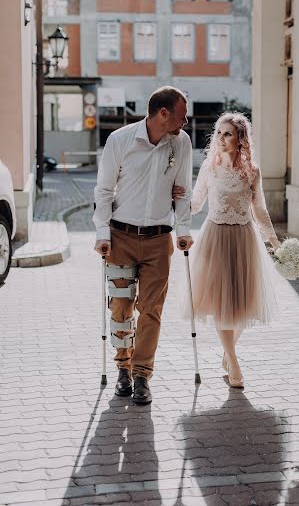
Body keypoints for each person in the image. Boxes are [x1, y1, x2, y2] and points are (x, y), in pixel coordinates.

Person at [94, 86, 193, 404]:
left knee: (151, 310)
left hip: (158, 240)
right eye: (182, 113)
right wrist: (102, 234)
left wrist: (184, 228)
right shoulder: (120, 140)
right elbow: (104, 190)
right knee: (121, 308)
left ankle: (141, 375)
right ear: (163, 113)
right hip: (120, 237)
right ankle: (122, 368)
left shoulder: (181, 142)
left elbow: (183, 189)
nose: (186, 120)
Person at [173, 112, 281, 389]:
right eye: (219, 133)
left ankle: (227, 351)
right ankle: (233, 361)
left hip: (244, 238)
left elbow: (260, 210)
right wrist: (177, 199)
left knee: (242, 304)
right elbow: (196, 204)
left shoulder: (252, 171)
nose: (221, 139)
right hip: (215, 237)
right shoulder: (209, 168)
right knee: (222, 303)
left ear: (240, 139)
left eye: (228, 134)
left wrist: (276, 243)